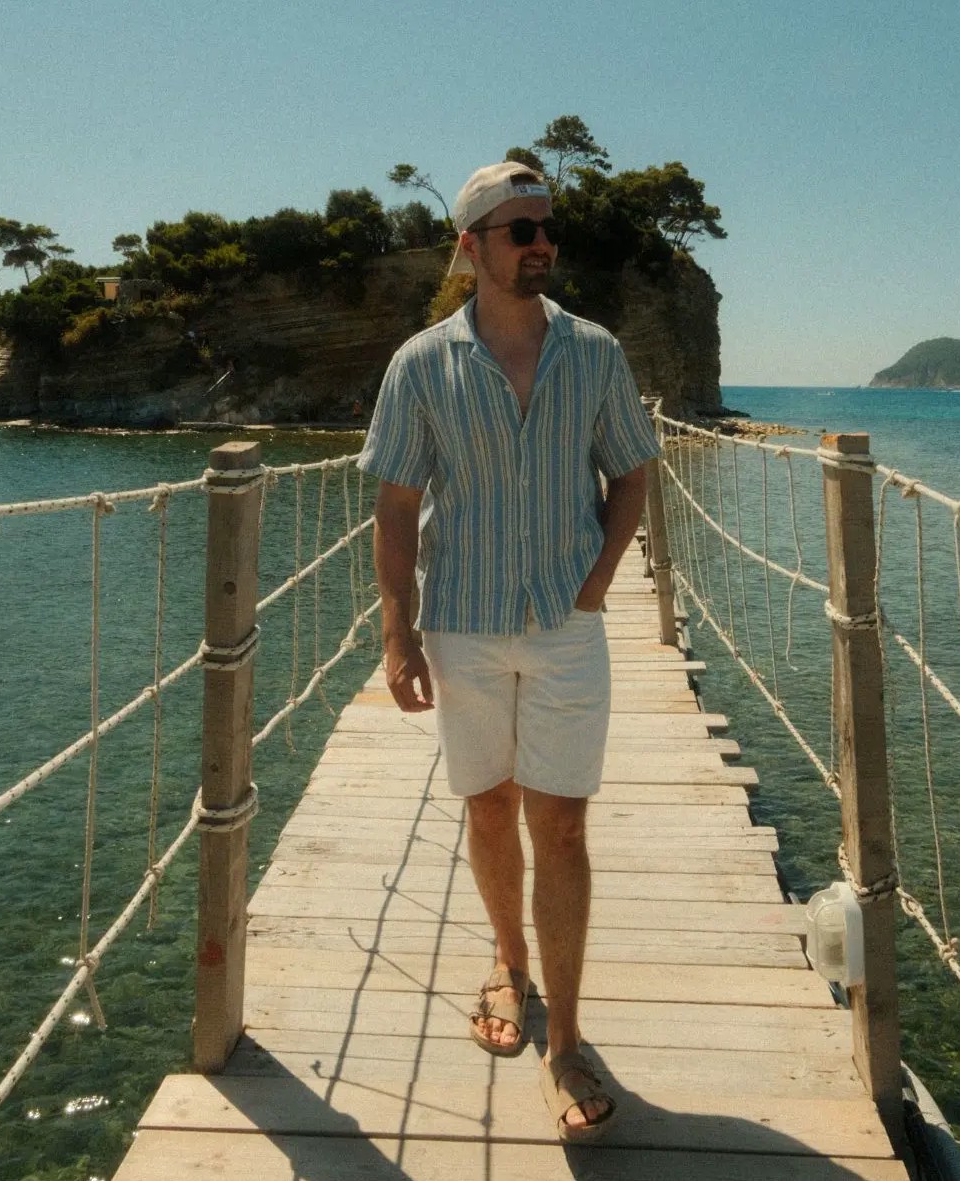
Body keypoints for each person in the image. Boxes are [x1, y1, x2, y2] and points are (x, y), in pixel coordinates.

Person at [356, 161, 659, 1142]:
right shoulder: (420, 365)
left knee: (560, 827)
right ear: (471, 245)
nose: (539, 242)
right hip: (463, 625)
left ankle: (562, 1038)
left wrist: (603, 576)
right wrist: (396, 633)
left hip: (565, 625)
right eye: (518, 227)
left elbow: (632, 470)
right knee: (487, 806)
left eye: (545, 226)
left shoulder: (596, 353)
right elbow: (395, 505)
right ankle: (505, 957)